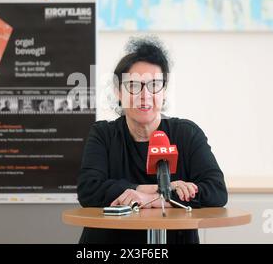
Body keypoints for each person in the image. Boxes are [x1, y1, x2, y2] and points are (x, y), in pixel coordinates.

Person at [77, 36, 227, 244]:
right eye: (134, 86)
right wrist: (148, 190)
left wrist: (154, 199)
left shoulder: (187, 134)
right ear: (118, 91)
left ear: (164, 91)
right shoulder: (103, 135)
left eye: (154, 85)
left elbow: (216, 191)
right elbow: (88, 190)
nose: (145, 95)